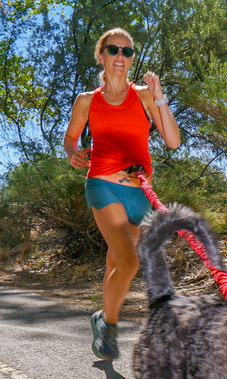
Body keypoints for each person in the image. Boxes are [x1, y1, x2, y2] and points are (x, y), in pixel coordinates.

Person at [64, 27, 180, 361]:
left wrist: (159, 97)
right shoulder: (87, 101)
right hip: (102, 184)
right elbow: (71, 137)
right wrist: (72, 152)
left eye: (127, 52)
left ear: (132, 60)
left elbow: (172, 140)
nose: (120, 57)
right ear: (101, 56)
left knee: (117, 261)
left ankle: (102, 316)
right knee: (129, 260)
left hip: (139, 192)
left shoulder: (144, 95)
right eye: (113, 50)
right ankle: (109, 326)